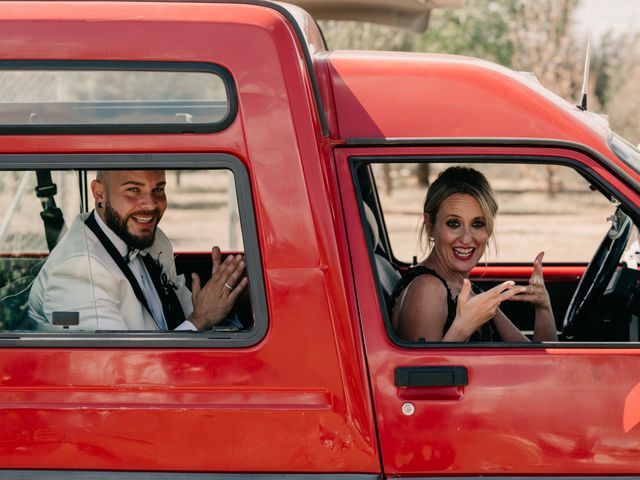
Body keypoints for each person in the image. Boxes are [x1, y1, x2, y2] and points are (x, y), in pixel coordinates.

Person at [28, 170, 248, 331]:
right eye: (133, 189)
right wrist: (202, 318)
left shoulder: (152, 239)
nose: (150, 204)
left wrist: (230, 298)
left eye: (158, 189)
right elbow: (118, 371)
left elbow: (185, 316)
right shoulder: (77, 270)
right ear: (99, 194)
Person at [390, 166, 558, 343]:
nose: (466, 239)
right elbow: (421, 370)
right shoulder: (427, 289)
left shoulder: (469, 289)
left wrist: (543, 307)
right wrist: (462, 329)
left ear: (490, 229)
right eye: (453, 223)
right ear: (430, 225)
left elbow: (536, 359)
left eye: (477, 224)